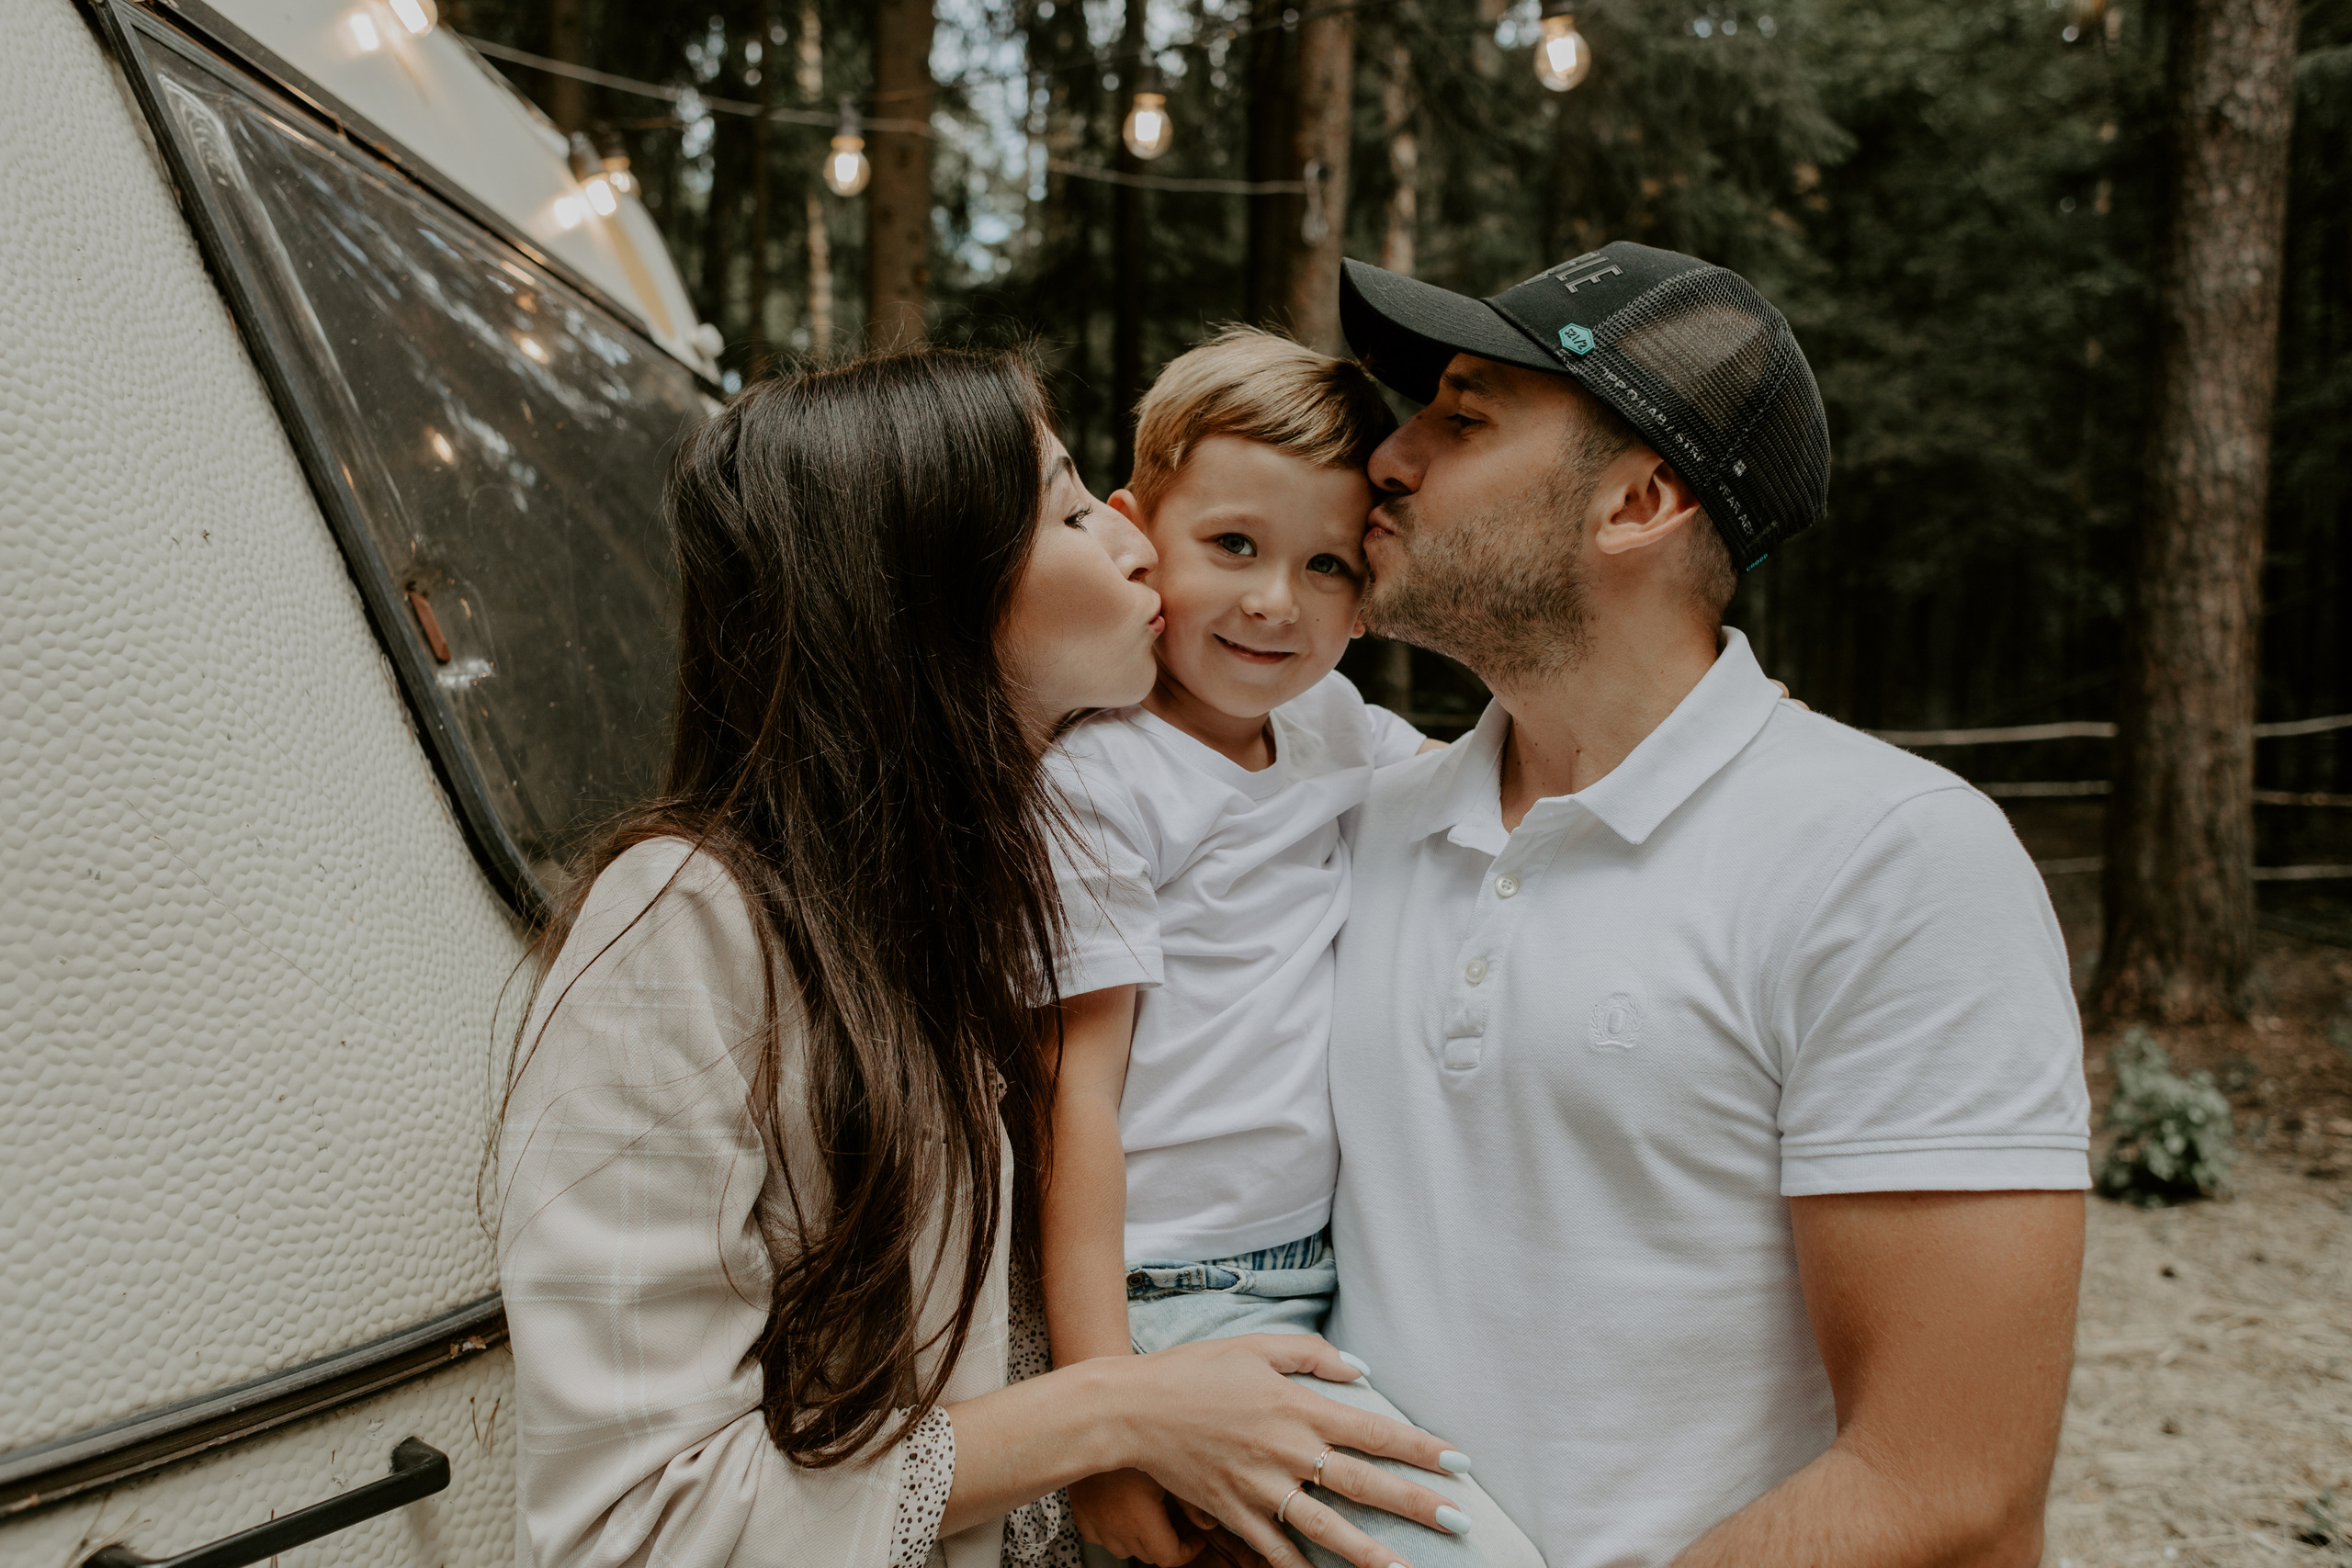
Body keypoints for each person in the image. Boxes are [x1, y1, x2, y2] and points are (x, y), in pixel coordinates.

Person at [492, 346, 1470, 1568]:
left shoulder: (972, 884)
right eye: (1069, 510)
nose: (1127, 543)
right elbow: (631, 1529)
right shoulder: (689, 925)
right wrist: (1113, 1416)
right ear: (930, 587)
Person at [1325, 243, 2093, 1568]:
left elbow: (1949, 1483)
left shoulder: (1892, 861)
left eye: (1463, 415)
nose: (1387, 459)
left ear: (1639, 501)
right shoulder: (1360, 821)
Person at [1036, 329, 1541, 1568]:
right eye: (1232, 548)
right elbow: (1074, 1099)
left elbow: (1494, 783)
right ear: (1137, 534)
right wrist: (1100, 1414)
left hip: (1328, 1277)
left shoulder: (1326, 724)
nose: (1276, 601)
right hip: (1173, 1305)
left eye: (1325, 565)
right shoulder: (1104, 778)